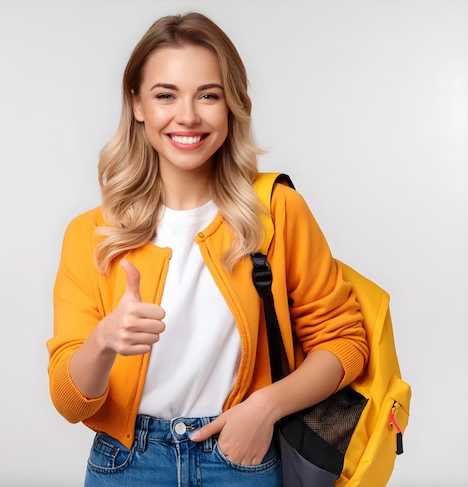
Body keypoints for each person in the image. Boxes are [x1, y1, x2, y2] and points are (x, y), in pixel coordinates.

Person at [47, 12, 368, 487]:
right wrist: (104, 341)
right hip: (126, 464)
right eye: (165, 95)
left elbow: (346, 344)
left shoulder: (276, 210)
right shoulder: (92, 234)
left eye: (208, 95)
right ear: (136, 103)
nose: (188, 116)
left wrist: (264, 407)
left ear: (232, 104)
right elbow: (72, 403)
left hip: (240, 454)